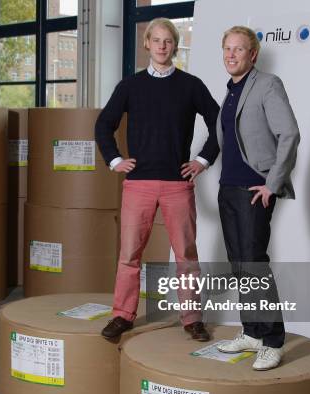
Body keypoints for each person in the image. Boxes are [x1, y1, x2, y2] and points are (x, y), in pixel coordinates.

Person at [95, 17, 219, 341]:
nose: (162, 46)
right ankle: (122, 315)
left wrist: (203, 160)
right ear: (147, 43)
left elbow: (220, 122)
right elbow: (103, 125)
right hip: (138, 185)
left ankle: (192, 319)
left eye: (168, 41)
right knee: (129, 256)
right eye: (157, 40)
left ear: (174, 46)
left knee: (187, 257)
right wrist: (115, 159)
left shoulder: (191, 85)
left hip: (178, 185)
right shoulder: (130, 86)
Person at [187, 26, 300, 370]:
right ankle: (252, 332)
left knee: (253, 264)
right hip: (228, 188)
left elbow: (289, 133)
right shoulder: (231, 91)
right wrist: (203, 164)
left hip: (254, 191)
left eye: (238, 49)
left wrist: (272, 183)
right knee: (239, 265)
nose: (231, 55)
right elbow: (227, 139)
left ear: (253, 55)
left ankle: (273, 340)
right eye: (227, 49)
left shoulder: (267, 84)